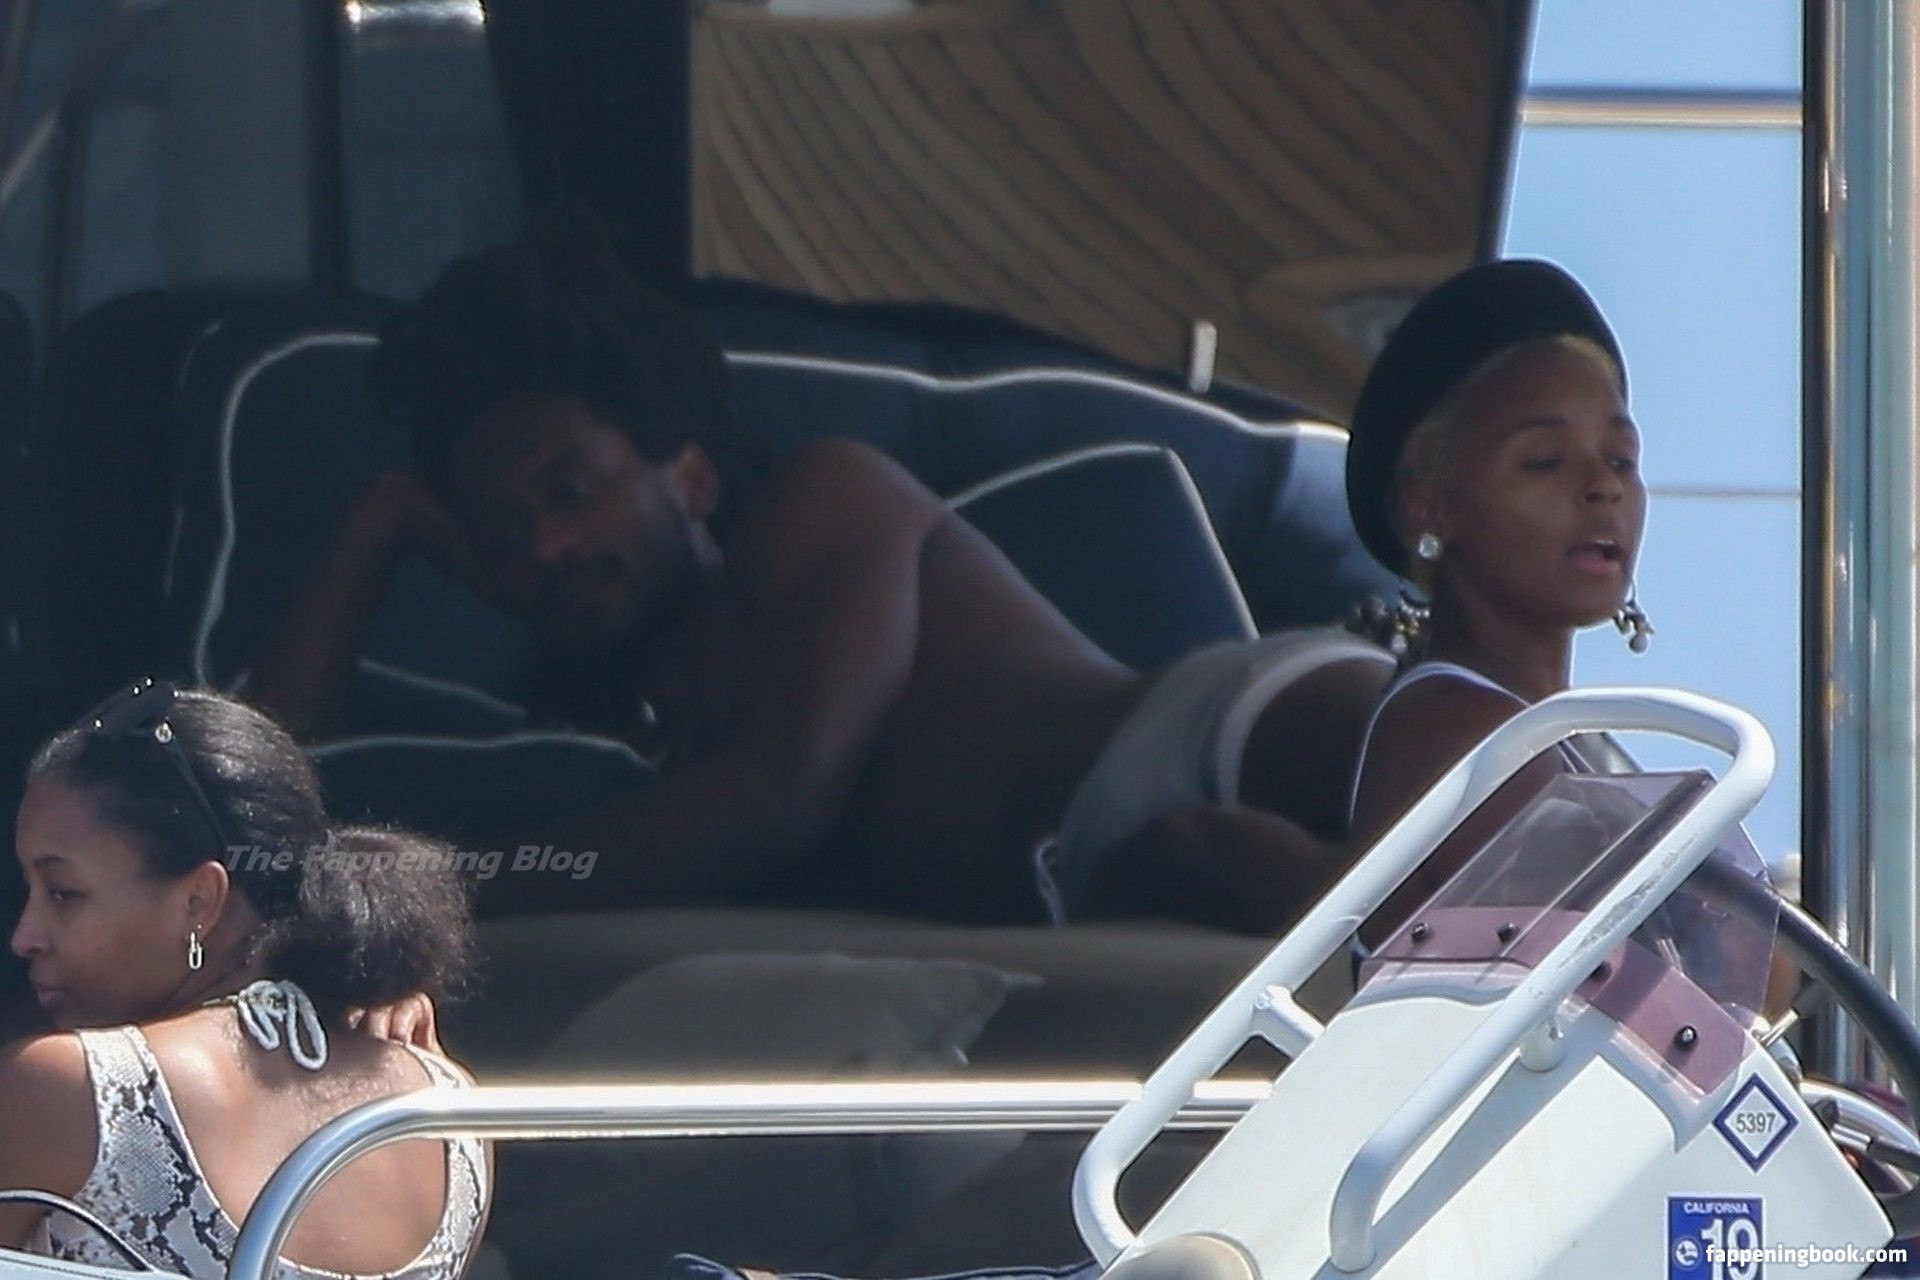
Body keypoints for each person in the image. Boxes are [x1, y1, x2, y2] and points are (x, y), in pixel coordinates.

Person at [247, 221, 1392, 931]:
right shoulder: (612, 737)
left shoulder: (823, 501)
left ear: (689, 475)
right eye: (502, 535)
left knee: (1465, 825)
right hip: (1107, 877)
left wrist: (427, 891)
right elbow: (248, 793)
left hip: (1197, 729)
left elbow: (781, 802)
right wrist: (377, 528)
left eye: (571, 491)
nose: (544, 547)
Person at [0, 679, 490, 1277]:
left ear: (199, 902)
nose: (24, 936)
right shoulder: (449, 1108)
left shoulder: (64, 1088)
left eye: (62, 892)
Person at [1340, 258, 1651, 933]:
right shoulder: (1454, 727)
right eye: (1545, 461)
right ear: (1430, 505)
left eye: (1621, 459)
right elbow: (1636, 962)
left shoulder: (1547, 735)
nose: (1604, 486)